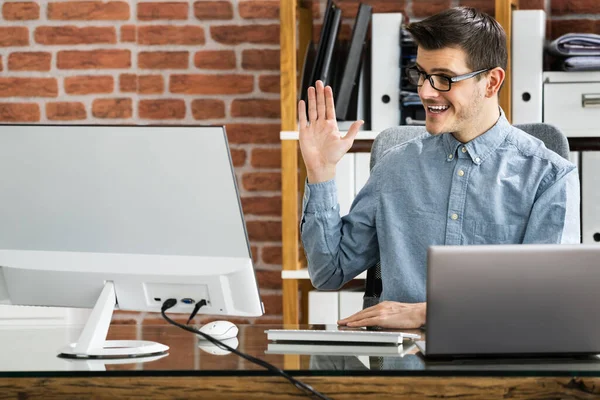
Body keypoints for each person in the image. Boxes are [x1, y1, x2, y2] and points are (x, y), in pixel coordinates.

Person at [298, 7, 580, 329]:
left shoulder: (549, 176)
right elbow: (329, 272)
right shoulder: (395, 165)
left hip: (500, 365)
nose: (426, 92)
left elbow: (547, 301)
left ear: (491, 82)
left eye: (444, 78)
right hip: (403, 368)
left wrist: (426, 314)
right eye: (421, 74)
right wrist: (321, 171)